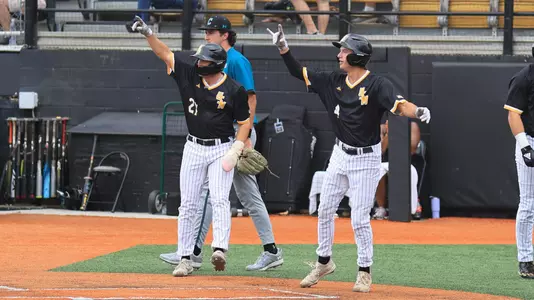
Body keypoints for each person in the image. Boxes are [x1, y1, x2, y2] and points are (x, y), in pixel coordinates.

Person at [267, 25, 431, 292]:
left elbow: (400, 105)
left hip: (366, 160)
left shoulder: (378, 84)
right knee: (325, 209)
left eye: (344, 50)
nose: (339, 54)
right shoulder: (333, 81)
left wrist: (418, 110)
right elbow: (299, 72)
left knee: (358, 218)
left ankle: (364, 271)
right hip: (340, 154)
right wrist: (283, 48)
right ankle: (324, 262)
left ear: (356, 56)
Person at [159, 15, 284, 272]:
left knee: (246, 195)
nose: (207, 34)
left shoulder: (237, 60)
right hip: (219, 136)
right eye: (206, 30)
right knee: (207, 195)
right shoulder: (206, 61)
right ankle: (193, 250)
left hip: (239, 135)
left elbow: (250, 100)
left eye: (212, 30)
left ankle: (271, 250)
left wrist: (245, 141)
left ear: (225, 34)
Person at [128, 16, 252, 276]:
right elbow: (165, 54)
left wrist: (237, 148)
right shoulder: (189, 75)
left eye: (204, 60)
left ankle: (219, 249)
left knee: (219, 199)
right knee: (188, 204)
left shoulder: (234, 90)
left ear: (216, 64)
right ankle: (185, 257)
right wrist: (148, 33)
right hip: (194, 147)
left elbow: (244, 122)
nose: (198, 62)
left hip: (221, 148)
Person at [504, 46, 534, 279]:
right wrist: (525, 147)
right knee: (528, 204)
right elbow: (513, 114)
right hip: (530, 140)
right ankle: (525, 259)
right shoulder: (524, 77)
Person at [373, 117, 423, 220]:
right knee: (377, 170)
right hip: (387, 163)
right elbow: (380, 151)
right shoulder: (383, 128)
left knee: (409, 171)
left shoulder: (412, 126)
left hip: (408, 162)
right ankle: (381, 207)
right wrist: (388, 134)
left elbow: (412, 149)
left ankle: (413, 205)